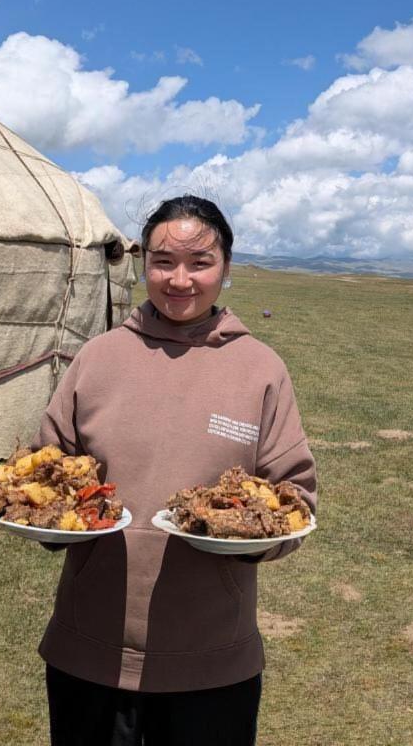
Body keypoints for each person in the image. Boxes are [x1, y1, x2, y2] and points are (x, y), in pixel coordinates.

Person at [33, 195, 317, 746]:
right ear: (143, 265)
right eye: (163, 261)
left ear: (226, 268)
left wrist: (249, 537)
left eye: (200, 262)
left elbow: (296, 495)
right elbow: (48, 474)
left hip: (213, 657)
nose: (179, 279)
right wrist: (45, 524)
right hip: (91, 648)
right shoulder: (98, 358)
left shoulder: (260, 369)